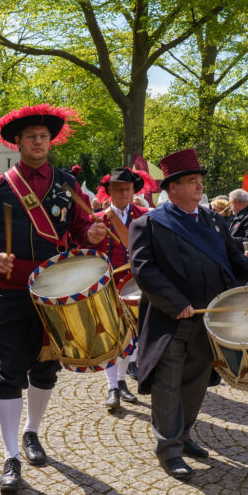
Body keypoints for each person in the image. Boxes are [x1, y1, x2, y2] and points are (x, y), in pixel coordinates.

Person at [0, 104, 106, 493]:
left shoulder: (68, 185)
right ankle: (10, 456)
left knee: (45, 370)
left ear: (50, 141)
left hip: (55, 294)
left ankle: (32, 432)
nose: (38, 142)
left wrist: (93, 237)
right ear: (19, 143)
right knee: (8, 369)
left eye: (43, 136)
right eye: (31, 137)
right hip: (8, 290)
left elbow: (82, 232)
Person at [129, 148, 248, 480]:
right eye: (191, 181)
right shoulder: (148, 223)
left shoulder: (214, 221)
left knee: (196, 383)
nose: (198, 186)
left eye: (199, 181)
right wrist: (176, 302)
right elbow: (144, 270)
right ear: (171, 188)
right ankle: (169, 449)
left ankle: (184, 435)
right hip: (171, 319)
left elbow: (233, 260)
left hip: (210, 318)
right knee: (168, 384)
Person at [90, 167, 147, 410]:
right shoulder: (97, 219)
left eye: (127, 189)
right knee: (112, 337)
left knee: (130, 337)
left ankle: (122, 382)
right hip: (109, 286)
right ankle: (113, 387)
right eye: (118, 189)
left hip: (136, 286)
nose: (123, 193)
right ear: (109, 191)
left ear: (134, 191)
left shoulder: (145, 215)